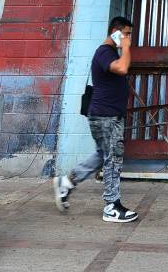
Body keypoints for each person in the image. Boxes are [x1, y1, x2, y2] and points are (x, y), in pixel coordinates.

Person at [53, 16, 138, 222]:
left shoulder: (110, 53)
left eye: (129, 35)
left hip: (108, 114)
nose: (129, 39)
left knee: (103, 155)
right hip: (105, 116)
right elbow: (122, 68)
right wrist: (125, 47)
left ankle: (66, 182)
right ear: (115, 33)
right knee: (113, 158)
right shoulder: (104, 52)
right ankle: (111, 206)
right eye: (126, 34)